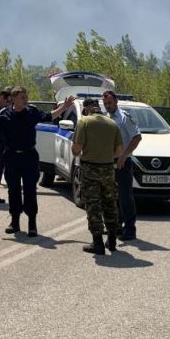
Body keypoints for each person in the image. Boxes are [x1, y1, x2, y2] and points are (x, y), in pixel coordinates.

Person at [0, 86, 75, 237]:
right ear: (14, 99)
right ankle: (15, 221)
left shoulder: (32, 112)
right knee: (13, 190)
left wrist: (64, 107)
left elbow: (49, 116)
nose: (26, 100)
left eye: (26, 97)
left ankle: (32, 223)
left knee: (30, 189)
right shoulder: (4, 115)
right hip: (11, 156)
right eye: (23, 97)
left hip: (29, 156)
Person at [72, 98, 123, 255]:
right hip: (108, 169)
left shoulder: (84, 122)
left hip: (89, 169)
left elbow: (76, 150)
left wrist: (88, 151)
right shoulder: (112, 124)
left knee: (93, 206)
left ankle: (98, 243)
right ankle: (112, 240)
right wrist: (105, 154)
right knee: (110, 204)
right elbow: (120, 151)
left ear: (87, 109)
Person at [102, 89, 142, 241]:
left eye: (110, 103)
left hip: (122, 163)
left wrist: (124, 155)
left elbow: (137, 137)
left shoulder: (124, 118)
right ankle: (116, 227)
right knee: (111, 197)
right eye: (105, 103)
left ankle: (130, 229)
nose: (108, 106)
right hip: (108, 163)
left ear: (116, 101)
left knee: (125, 197)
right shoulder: (105, 117)